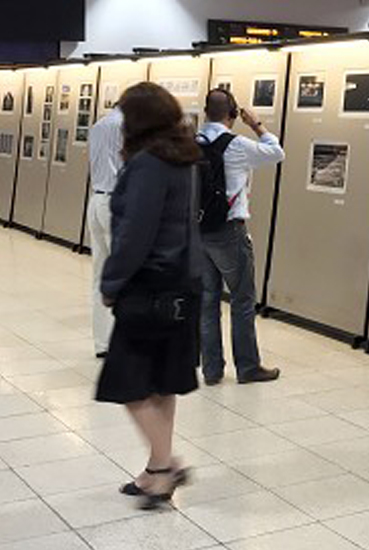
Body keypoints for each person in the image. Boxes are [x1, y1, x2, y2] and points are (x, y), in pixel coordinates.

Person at [96, 82, 203, 509]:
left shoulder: (147, 165)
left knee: (128, 384)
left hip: (150, 287)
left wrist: (110, 285)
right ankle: (156, 472)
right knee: (162, 383)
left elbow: (135, 235)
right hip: (183, 288)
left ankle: (168, 465)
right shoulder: (186, 159)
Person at [197, 89, 285, 385]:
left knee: (207, 300)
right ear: (232, 114)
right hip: (229, 231)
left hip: (198, 231)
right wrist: (257, 124)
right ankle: (248, 367)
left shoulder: (192, 142)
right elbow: (277, 153)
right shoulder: (235, 144)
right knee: (242, 298)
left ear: (206, 112)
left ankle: (211, 370)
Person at [87, 106, 124, 358]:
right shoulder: (127, 127)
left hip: (97, 200)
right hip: (116, 203)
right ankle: (125, 341)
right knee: (125, 273)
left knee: (100, 275)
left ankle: (103, 343)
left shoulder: (98, 126)